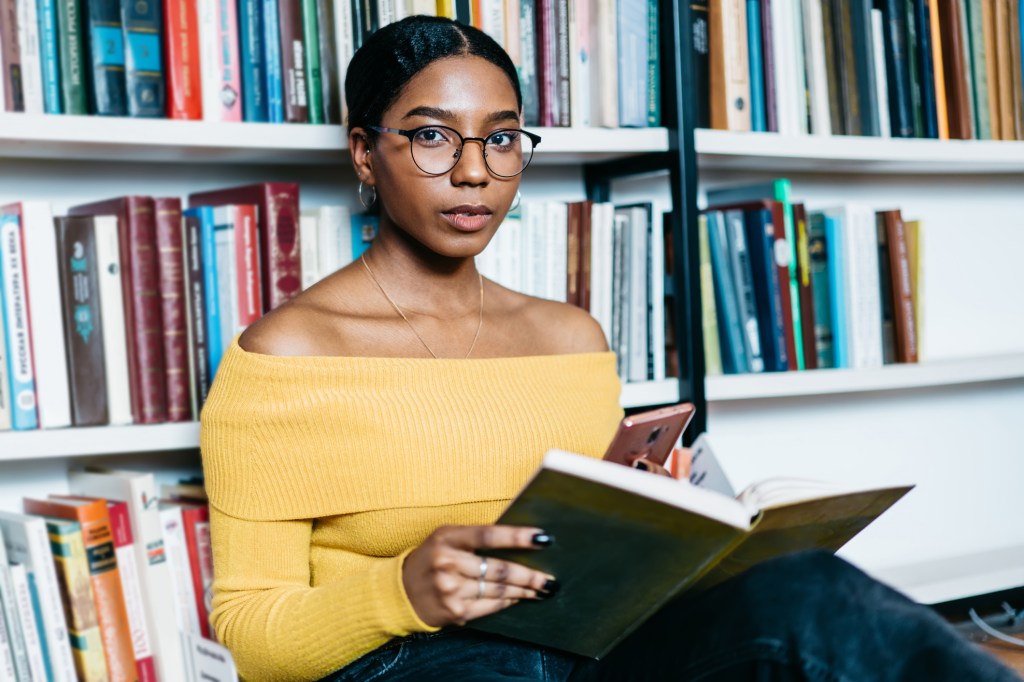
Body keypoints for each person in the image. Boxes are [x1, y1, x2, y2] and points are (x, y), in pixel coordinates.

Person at [200, 15, 1018, 682]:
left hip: (591, 647)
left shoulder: (569, 337)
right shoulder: (288, 357)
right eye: (431, 137)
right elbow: (247, 633)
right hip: (412, 662)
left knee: (806, 597)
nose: (475, 172)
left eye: (502, 138)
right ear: (363, 152)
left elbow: (592, 552)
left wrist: (673, 527)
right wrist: (401, 590)